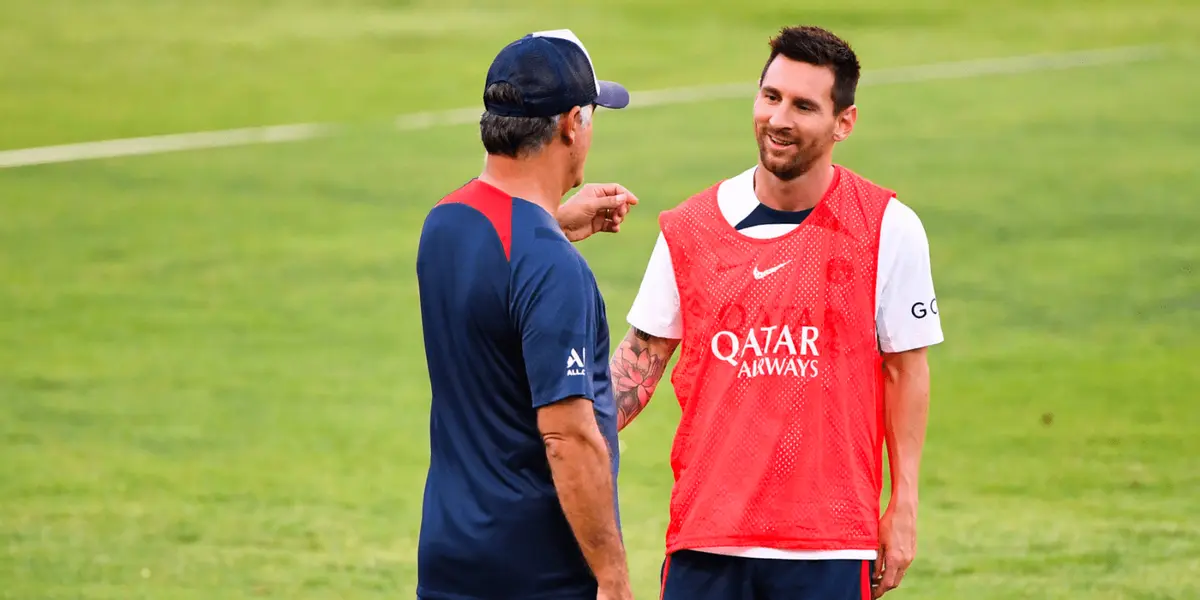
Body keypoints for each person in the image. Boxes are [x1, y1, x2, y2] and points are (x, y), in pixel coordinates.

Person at [610, 25, 943, 600]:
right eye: (771, 97)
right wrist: (555, 437)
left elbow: (905, 370)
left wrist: (904, 503)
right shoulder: (689, 230)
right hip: (707, 539)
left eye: (804, 106)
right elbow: (639, 365)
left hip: (831, 542)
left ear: (845, 122)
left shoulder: (888, 227)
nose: (779, 119)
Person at [415, 29, 639, 600]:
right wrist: (612, 580)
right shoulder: (548, 265)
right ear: (571, 124)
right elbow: (567, 436)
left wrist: (554, 228)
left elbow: (494, 283)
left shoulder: (444, 223)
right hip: (537, 575)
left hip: (450, 559)